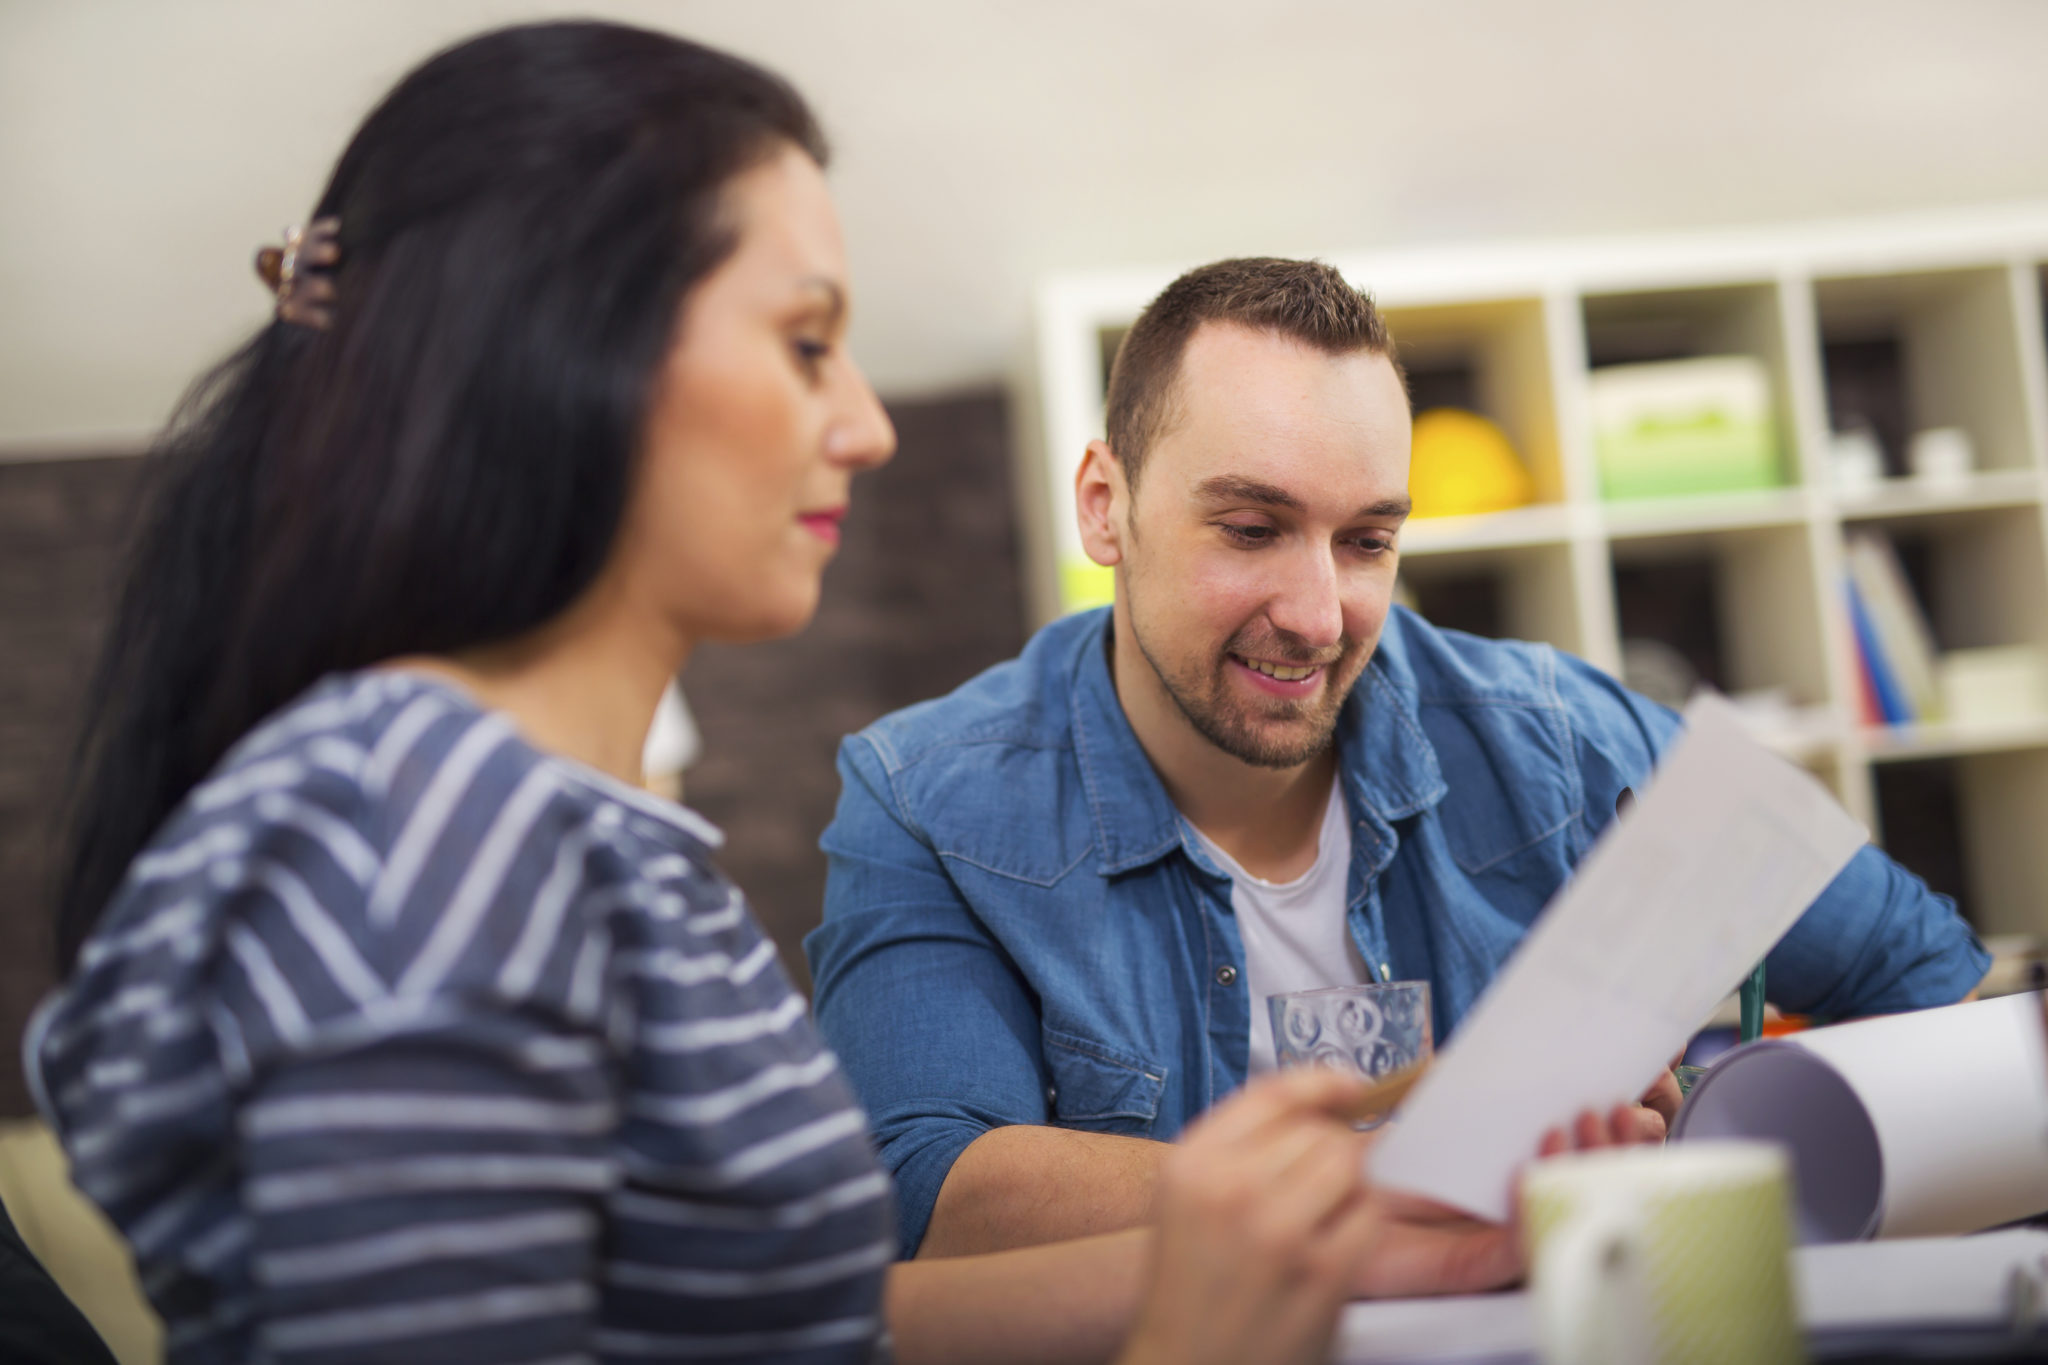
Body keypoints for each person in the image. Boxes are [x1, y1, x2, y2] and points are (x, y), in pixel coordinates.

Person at [25, 25, 1629, 1365]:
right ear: (560, 358)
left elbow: (783, 1328)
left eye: (1365, 539)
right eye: (806, 345)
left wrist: (1320, 1237)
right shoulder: (426, 838)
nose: (864, 423)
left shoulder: (579, 837)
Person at [805, 256, 1992, 1261]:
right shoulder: (922, 797)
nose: (1319, 616)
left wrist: (1712, 1151)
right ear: (1105, 507)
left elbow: (1921, 974)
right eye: (1252, 529)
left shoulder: (1557, 736)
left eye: (1366, 539)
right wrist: (1407, 1184)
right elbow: (923, 1184)